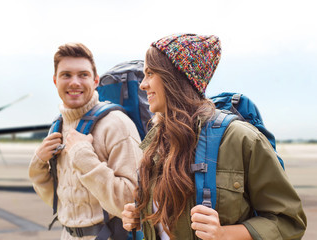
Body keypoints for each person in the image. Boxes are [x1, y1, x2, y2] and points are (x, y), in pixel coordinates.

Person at [121, 34, 307, 240]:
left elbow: (290, 222)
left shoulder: (240, 139)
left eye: (150, 73)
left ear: (174, 77)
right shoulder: (154, 142)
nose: (142, 84)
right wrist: (141, 217)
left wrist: (224, 233)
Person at [29, 42, 143, 239]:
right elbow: (60, 201)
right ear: (55, 80)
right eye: (66, 75)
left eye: (83, 75)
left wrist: (83, 156)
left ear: (95, 80)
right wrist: (38, 164)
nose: (75, 82)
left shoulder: (116, 124)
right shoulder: (57, 128)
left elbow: (131, 200)